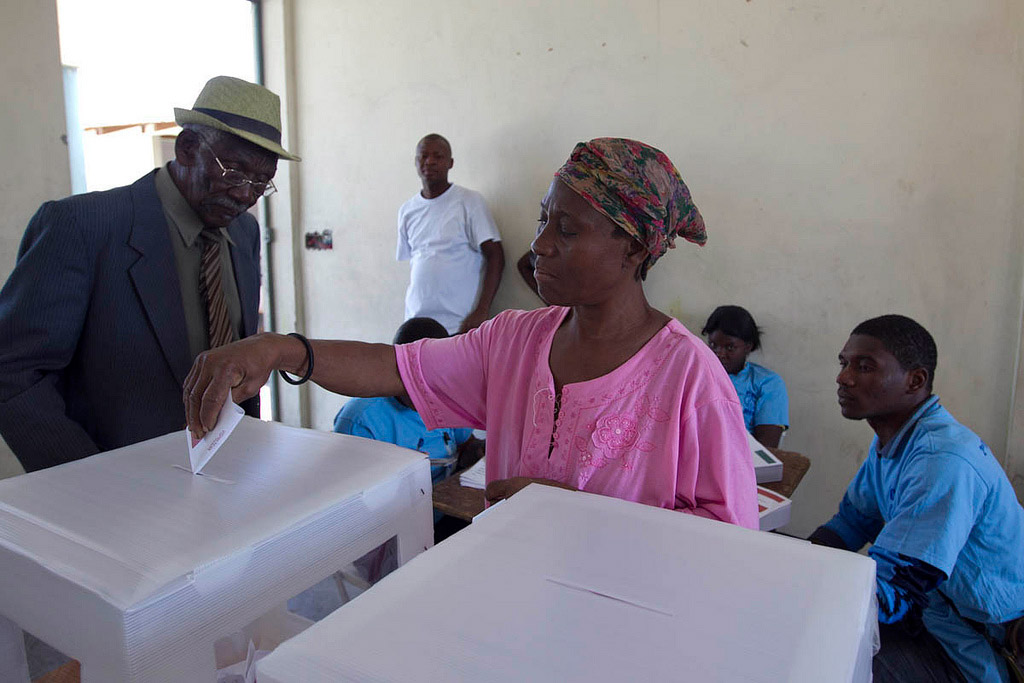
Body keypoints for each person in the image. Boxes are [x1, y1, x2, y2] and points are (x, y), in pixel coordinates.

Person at [185, 137, 759, 529]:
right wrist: (280, 348)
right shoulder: (514, 339)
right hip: (510, 596)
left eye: (566, 229)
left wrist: (578, 515)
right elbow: (396, 367)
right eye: (542, 220)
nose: (540, 246)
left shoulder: (688, 377)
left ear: (634, 246)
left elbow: (729, 540)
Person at [0, 75, 300, 473]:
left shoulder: (243, 232)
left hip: (225, 475)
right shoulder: (83, 226)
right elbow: (13, 369)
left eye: (262, 181)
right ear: (188, 148)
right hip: (112, 488)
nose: (246, 195)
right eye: (234, 172)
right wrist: (83, 476)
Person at [809, 315, 1024, 682]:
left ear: (916, 380)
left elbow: (895, 594)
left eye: (864, 367)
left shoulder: (942, 460)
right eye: (844, 363)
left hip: (970, 651)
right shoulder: (894, 443)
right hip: (937, 623)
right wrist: (793, 560)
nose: (843, 377)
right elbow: (850, 524)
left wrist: (800, 591)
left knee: (827, 653)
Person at [333, 317, 482, 486]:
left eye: (437, 377)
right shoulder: (361, 421)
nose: (430, 392)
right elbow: (353, 494)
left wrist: (481, 450)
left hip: (442, 504)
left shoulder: (449, 400)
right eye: (417, 378)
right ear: (398, 367)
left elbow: (464, 445)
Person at [397, 134, 505, 334]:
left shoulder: (469, 202)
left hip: (458, 324)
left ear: (450, 163)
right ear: (416, 162)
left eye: (438, 156)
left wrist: (482, 310)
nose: (429, 161)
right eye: (423, 156)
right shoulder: (407, 210)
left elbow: (496, 255)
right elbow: (418, 262)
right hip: (415, 322)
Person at [701, 305, 789, 447]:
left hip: (744, 461)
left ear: (748, 346)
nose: (719, 354)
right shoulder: (697, 377)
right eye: (713, 345)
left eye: (730, 347)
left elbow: (767, 446)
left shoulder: (767, 383)